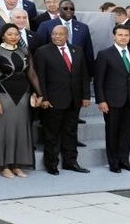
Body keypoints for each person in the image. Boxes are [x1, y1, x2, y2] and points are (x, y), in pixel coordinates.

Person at [0, 23, 43, 178]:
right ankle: (3, 166)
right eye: (10, 34)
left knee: (20, 130)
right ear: (3, 36)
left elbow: (32, 74)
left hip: (23, 96)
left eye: (16, 34)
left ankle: (16, 164)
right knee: (4, 131)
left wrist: (40, 94)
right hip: (3, 95)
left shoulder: (25, 50)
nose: (14, 37)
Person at [34, 25, 91, 175]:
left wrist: (85, 96)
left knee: (71, 132)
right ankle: (51, 164)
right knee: (52, 134)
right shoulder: (42, 51)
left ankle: (71, 162)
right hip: (53, 100)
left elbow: (84, 75)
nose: (56, 37)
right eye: (54, 34)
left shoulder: (77, 50)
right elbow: (40, 78)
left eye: (60, 34)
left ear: (67, 35)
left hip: (74, 100)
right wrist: (44, 98)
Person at [95, 24, 130, 173]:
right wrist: (101, 100)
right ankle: (114, 162)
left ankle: (125, 160)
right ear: (114, 36)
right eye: (120, 35)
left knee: (127, 132)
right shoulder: (105, 54)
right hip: (112, 101)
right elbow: (99, 80)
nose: (123, 38)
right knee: (112, 132)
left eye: (126, 35)